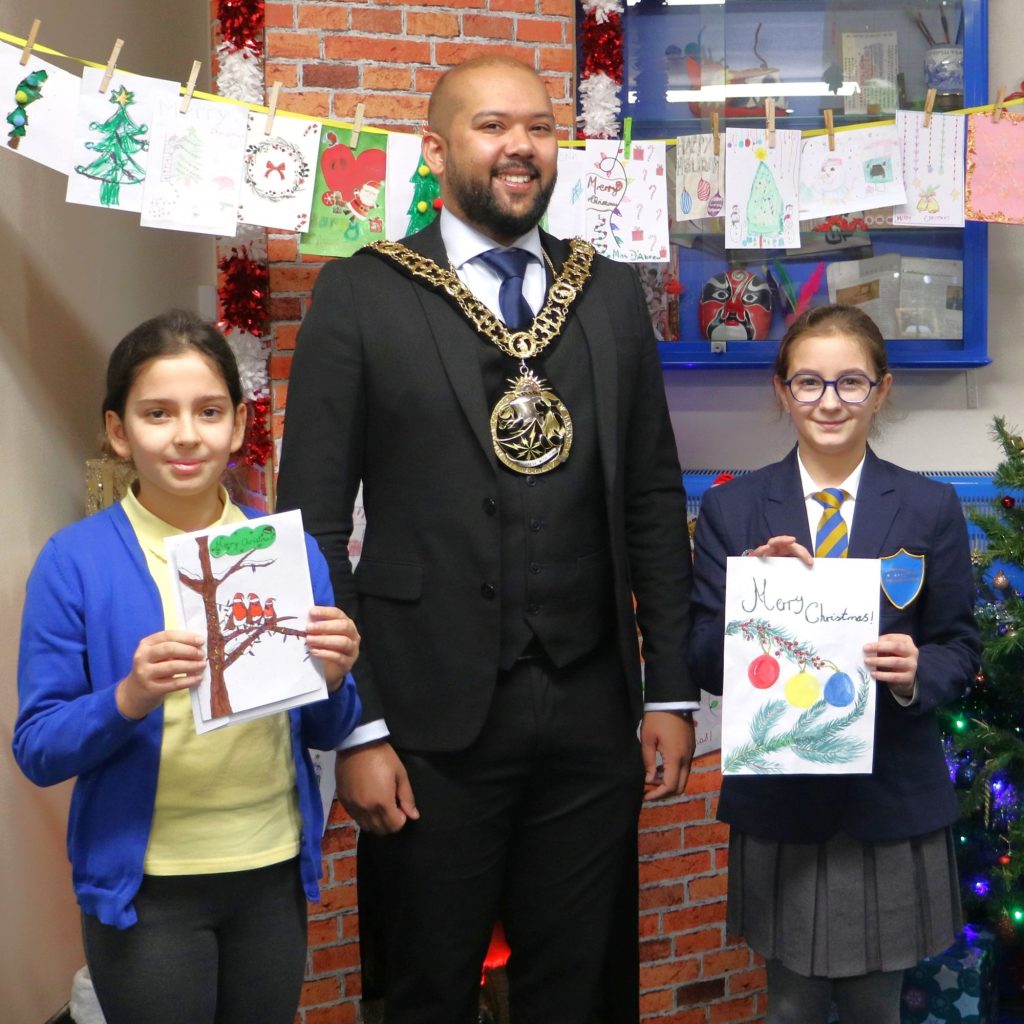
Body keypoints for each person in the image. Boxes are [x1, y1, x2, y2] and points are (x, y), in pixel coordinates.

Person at [275, 56, 697, 1024]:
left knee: (579, 993)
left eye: (540, 128)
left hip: (591, 710)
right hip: (425, 720)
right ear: (435, 150)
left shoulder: (607, 292)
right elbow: (312, 531)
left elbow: (650, 495)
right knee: (426, 989)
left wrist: (670, 688)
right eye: (493, 126)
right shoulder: (362, 294)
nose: (521, 147)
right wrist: (356, 725)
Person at [13, 311, 362, 1024]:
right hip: (147, 889)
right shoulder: (74, 562)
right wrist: (129, 696)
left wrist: (332, 678)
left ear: (238, 426)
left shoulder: (286, 554)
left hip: (271, 872)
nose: (185, 435)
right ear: (118, 432)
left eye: (208, 411)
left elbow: (329, 728)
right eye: (157, 413)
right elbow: (39, 748)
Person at [687, 304, 981, 1024]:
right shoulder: (733, 511)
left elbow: (959, 646)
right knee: (789, 1006)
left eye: (851, 382)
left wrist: (917, 671)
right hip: (783, 804)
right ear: (782, 390)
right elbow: (700, 658)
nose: (829, 401)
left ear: (881, 390)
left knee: (878, 1006)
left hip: (891, 797)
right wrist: (751, 612)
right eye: (809, 382)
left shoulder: (929, 506)